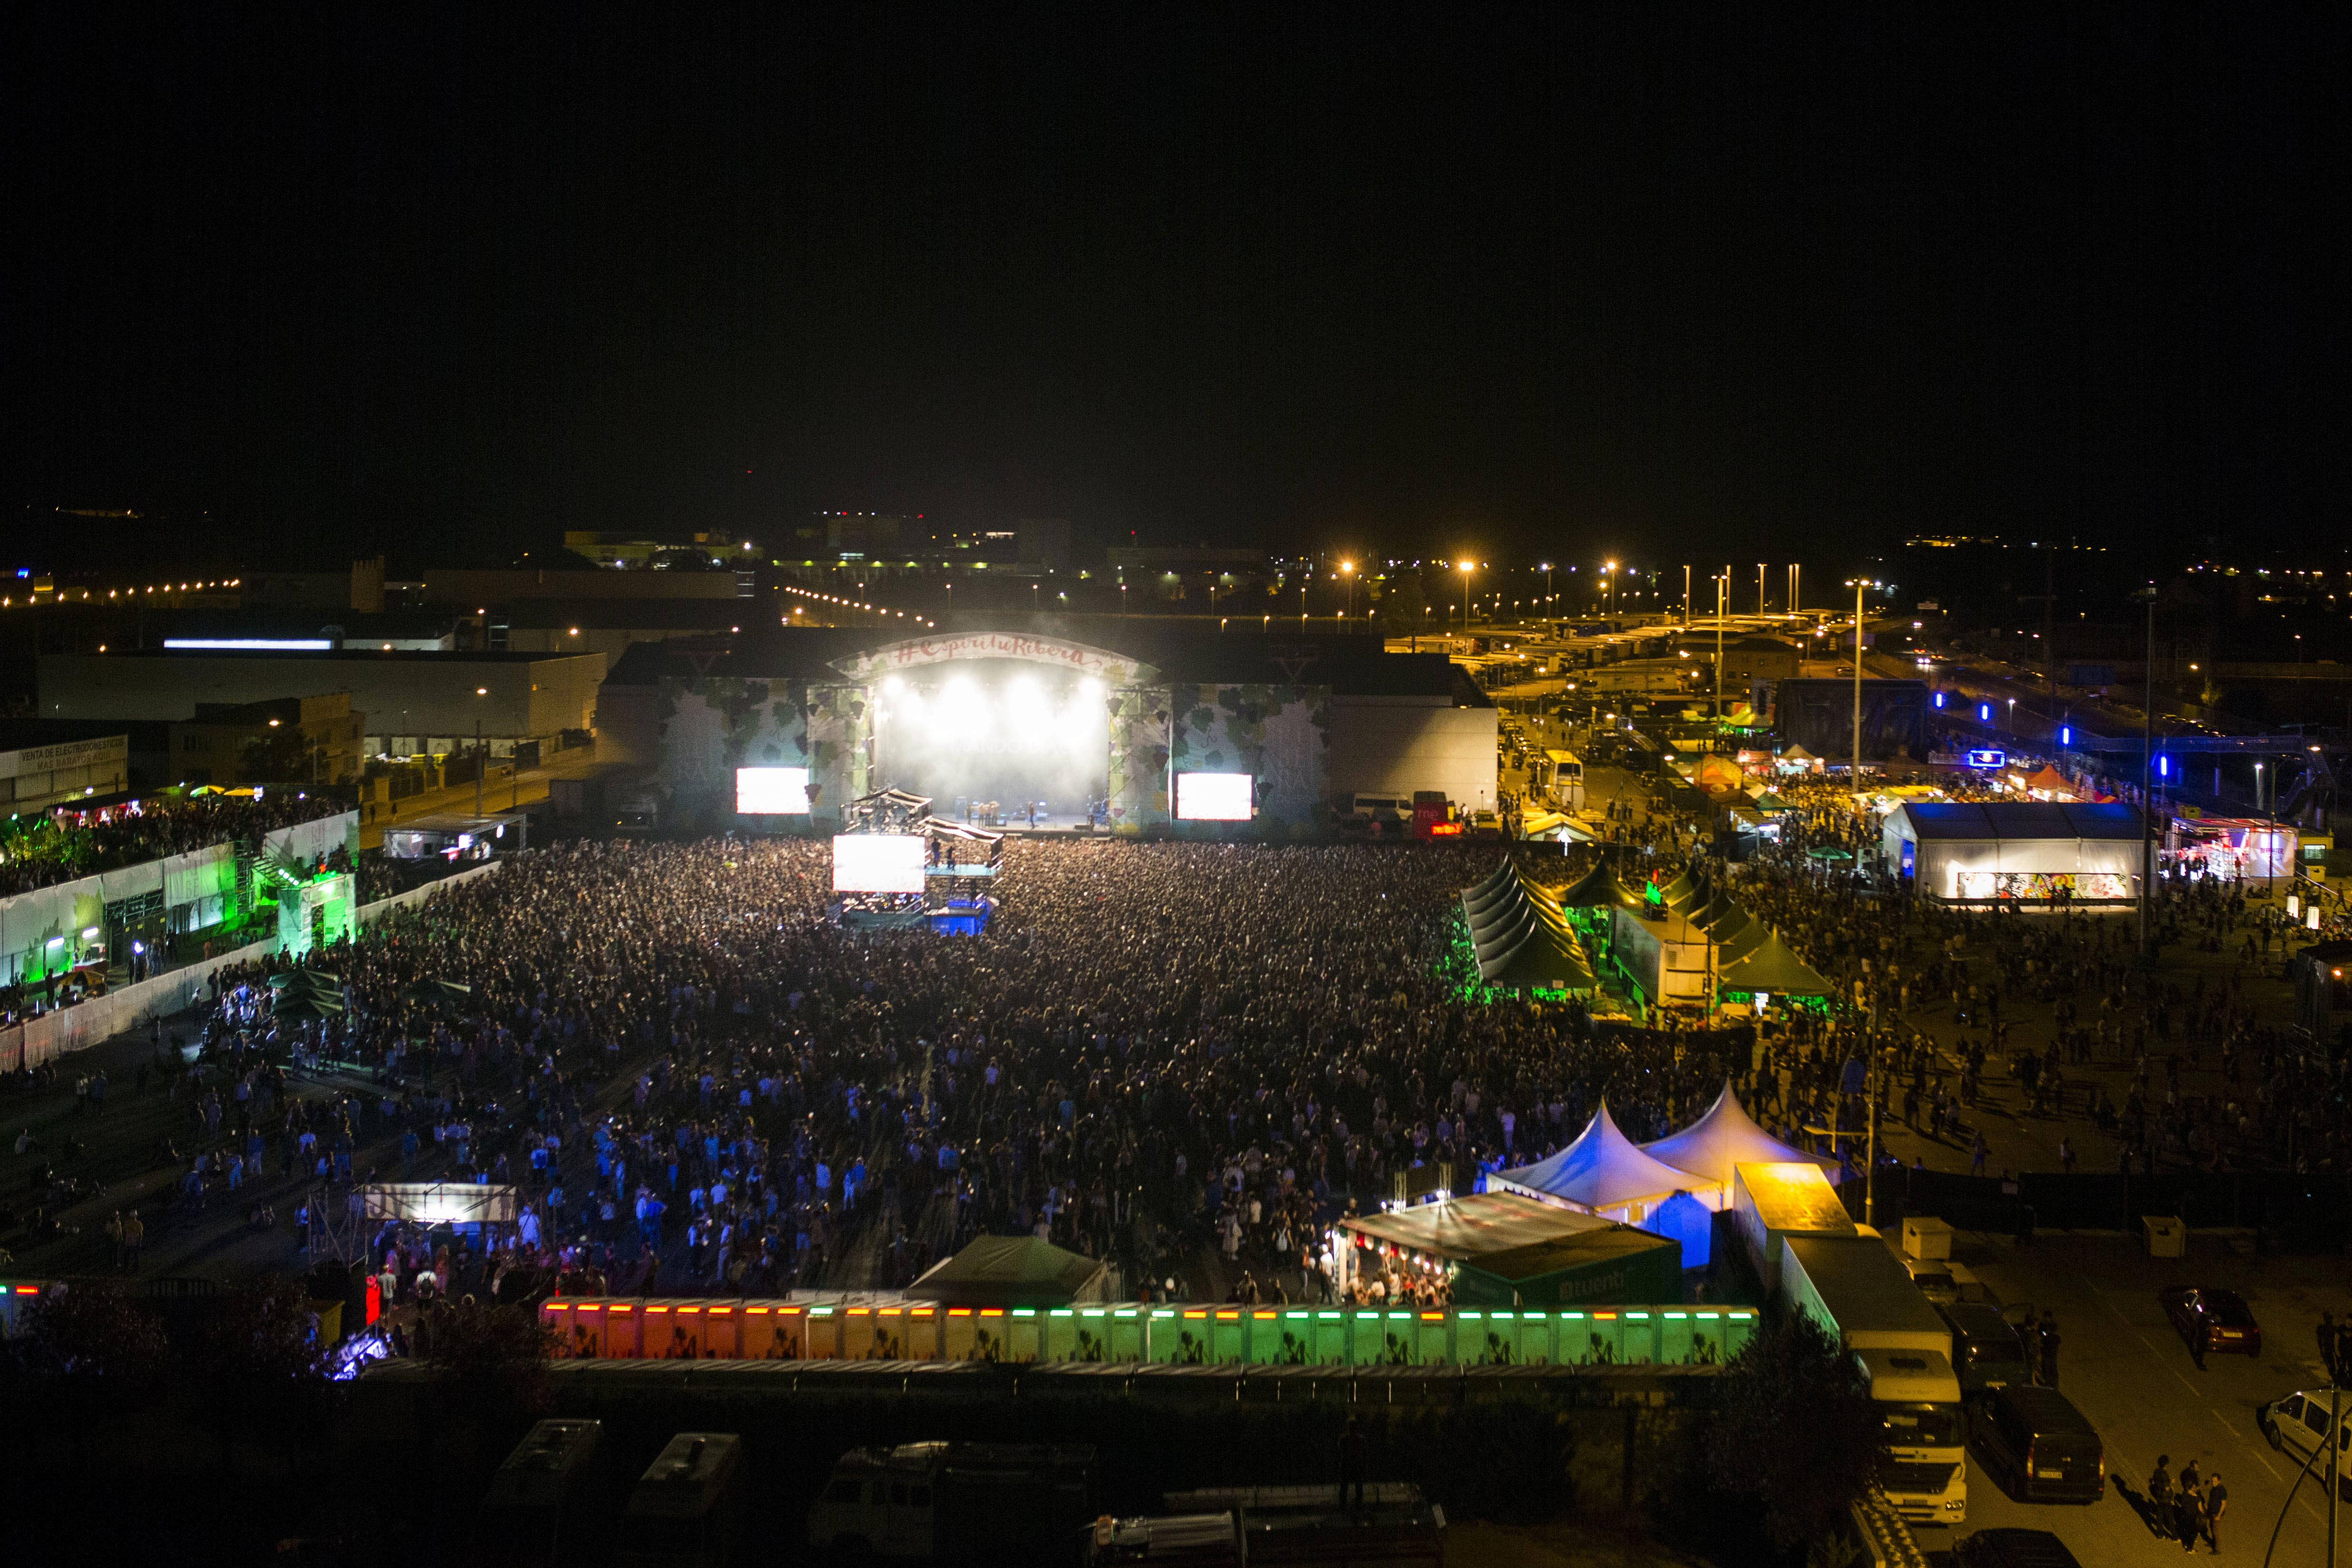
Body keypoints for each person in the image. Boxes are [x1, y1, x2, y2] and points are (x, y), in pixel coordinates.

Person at [1338, 1416, 1367, 1511]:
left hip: (1347, 1464)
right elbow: (1363, 1452)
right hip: (1357, 1464)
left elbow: (1341, 1452)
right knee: (1358, 1485)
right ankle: (1358, 1505)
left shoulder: (1344, 1440)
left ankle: (1343, 1506)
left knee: (1345, 1486)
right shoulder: (1361, 1439)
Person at [2202, 1473, 2226, 1553]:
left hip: (2217, 1514)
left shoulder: (2222, 1490)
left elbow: (2224, 1504)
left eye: (2215, 1482)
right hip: (2212, 1512)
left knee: (2216, 1531)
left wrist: (2219, 1515)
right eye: (2213, 1481)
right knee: (2212, 1527)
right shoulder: (2214, 1488)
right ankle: (2213, 1542)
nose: (2214, 1483)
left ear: (2219, 1481)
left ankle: (2218, 1549)